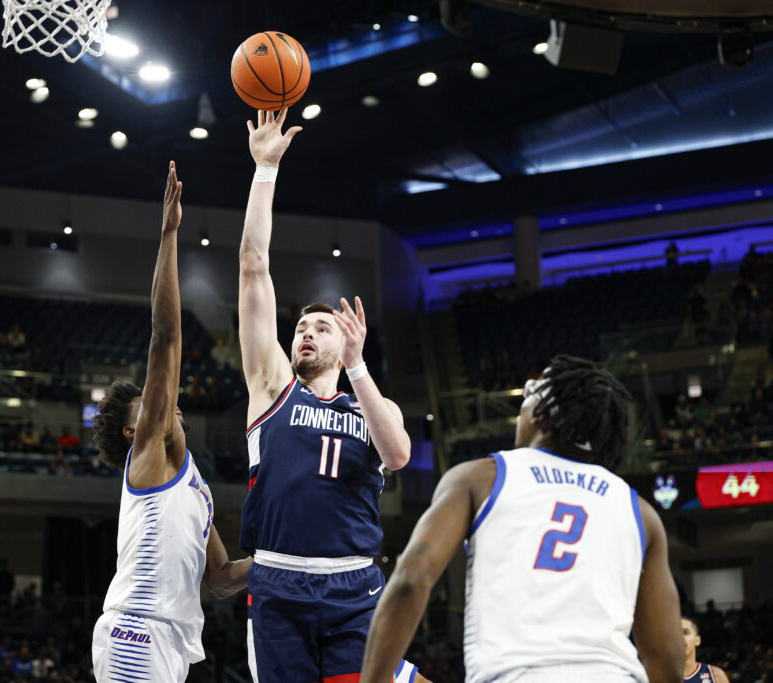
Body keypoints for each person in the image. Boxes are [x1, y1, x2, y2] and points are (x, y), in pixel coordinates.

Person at [237, 109, 422, 683]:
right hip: (278, 579)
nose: (306, 332)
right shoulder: (272, 386)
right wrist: (265, 170)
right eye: (301, 328)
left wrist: (359, 364)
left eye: (322, 327)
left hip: (356, 584)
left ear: (346, 342)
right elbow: (252, 267)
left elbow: (397, 457)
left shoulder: (372, 405)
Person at [360, 355, 684, 683]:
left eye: (527, 399)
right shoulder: (640, 512)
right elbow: (667, 658)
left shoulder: (480, 478)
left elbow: (412, 578)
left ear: (540, 414)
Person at [91, 162, 251, 682]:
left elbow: (224, 579)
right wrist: (169, 234)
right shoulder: (147, 462)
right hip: (136, 630)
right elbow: (165, 338)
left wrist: (297, 560)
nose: (164, 404)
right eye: (148, 405)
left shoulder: (197, 490)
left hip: (173, 642)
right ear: (131, 433)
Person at [682, 617, 730, 683]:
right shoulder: (663, 676)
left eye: (685, 633)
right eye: (676, 633)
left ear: (697, 640)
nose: (680, 637)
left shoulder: (716, 675)